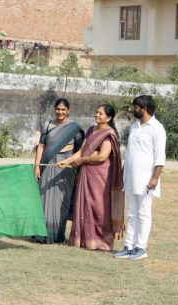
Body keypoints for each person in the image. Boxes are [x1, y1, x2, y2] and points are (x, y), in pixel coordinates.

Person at [57, 104, 124, 252]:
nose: (97, 115)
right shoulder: (91, 130)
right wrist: (67, 161)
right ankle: (83, 240)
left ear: (109, 117)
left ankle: (101, 242)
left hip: (101, 176)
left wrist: (82, 161)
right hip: (86, 173)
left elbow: (102, 156)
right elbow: (82, 152)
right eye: (96, 112)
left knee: (99, 206)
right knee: (85, 205)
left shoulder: (109, 134)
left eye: (100, 113)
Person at [114, 95, 166, 261]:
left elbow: (160, 157)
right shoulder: (134, 126)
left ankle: (140, 247)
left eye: (137, 107)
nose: (134, 109)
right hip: (130, 177)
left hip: (146, 180)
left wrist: (155, 178)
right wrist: (123, 173)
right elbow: (129, 153)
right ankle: (128, 246)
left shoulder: (157, 128)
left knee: (143, 213)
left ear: (145, 109)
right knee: (131, 213)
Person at [33, 98, 85, 243]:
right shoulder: (48, 125)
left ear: (68, 110)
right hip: (47, 166)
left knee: (62, 200)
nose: (60, 112)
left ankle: (57, 234)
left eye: (63, 109)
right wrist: (37, 165)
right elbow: (41, 146)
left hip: (65, 169)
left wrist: (75, 167)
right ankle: (41, 234)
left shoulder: (74, 128)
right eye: (57, 109)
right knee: (43, 198)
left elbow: (80, 150)